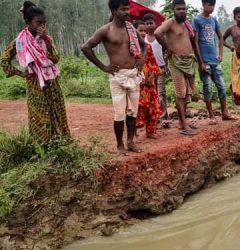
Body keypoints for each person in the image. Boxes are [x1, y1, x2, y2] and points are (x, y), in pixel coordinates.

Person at [81, 0, 146, 154]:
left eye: (128, 9)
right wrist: (104, 66)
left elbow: (144, 45)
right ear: (113, 10)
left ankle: (130, 141)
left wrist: (141, 60)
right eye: (123, 9)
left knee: (133, 112)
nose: (127, 12)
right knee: (119, 113)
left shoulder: (131, 29)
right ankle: (120, 145)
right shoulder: (106, 30)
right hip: (117, 76)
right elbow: (86, 47)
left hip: (133, 75)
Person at [1, 1, 70, 144]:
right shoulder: (19, 41)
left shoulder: (47, 39)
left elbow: (56, 58)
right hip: (35, 85)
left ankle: (62, 145)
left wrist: (46, 39)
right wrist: (21, 73)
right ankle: (42, 148)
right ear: (28, 22)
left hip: (52, 83)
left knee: (57, 112)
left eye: (44, 22)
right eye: (38, 22)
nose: (42, 25)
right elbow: (4, 59)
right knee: (40, 116)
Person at [154, 0, 199, 136]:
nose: (182, 11)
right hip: (176, 62)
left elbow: (192, 40)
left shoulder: (186, 23)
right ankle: (183, 126)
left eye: (183, 8)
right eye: (179, 9)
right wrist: (168, 47)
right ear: (173, 10)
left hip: (189, 62)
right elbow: (157, 33)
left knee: (188, 93)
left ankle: (182, 121)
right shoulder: (170, 23)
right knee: (181, 93)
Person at [193, 0, 236, 123]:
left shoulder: (214, 19)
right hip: (204, 61)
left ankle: (225, 113)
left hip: (214, 60)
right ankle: (211, 116)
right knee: (207, 87)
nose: (211, 8)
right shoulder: (197, 20)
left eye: (213, 5)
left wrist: (220, 54)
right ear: (203, 5)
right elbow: (195, 42)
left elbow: (220, 37)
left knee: (222, 86)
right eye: (209, 5)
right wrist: (200, 62)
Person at [133, 20, 163, 139]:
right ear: (134, 32)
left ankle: (150, 131)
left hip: (149, 83)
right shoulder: (131, 48)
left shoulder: (148, 47)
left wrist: (152, 75)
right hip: (137, 84)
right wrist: (139, 77)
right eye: (141, 30)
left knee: (153, 106)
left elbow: (153, 63)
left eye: (145, 31)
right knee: (137, 107)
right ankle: (133, 132)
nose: (144, 33)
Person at [142, 13, 170, 126]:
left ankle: (164, 117)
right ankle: (153, 117)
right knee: (151, 93)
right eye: (147, 23)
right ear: (144, 25)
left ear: (155, 23)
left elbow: (166, 50)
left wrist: (166, 64)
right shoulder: (143, 39)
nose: (149, 25)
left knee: (161, 92)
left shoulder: (159, 37)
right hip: (148, 70)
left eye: (151, 23)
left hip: (160, 67)